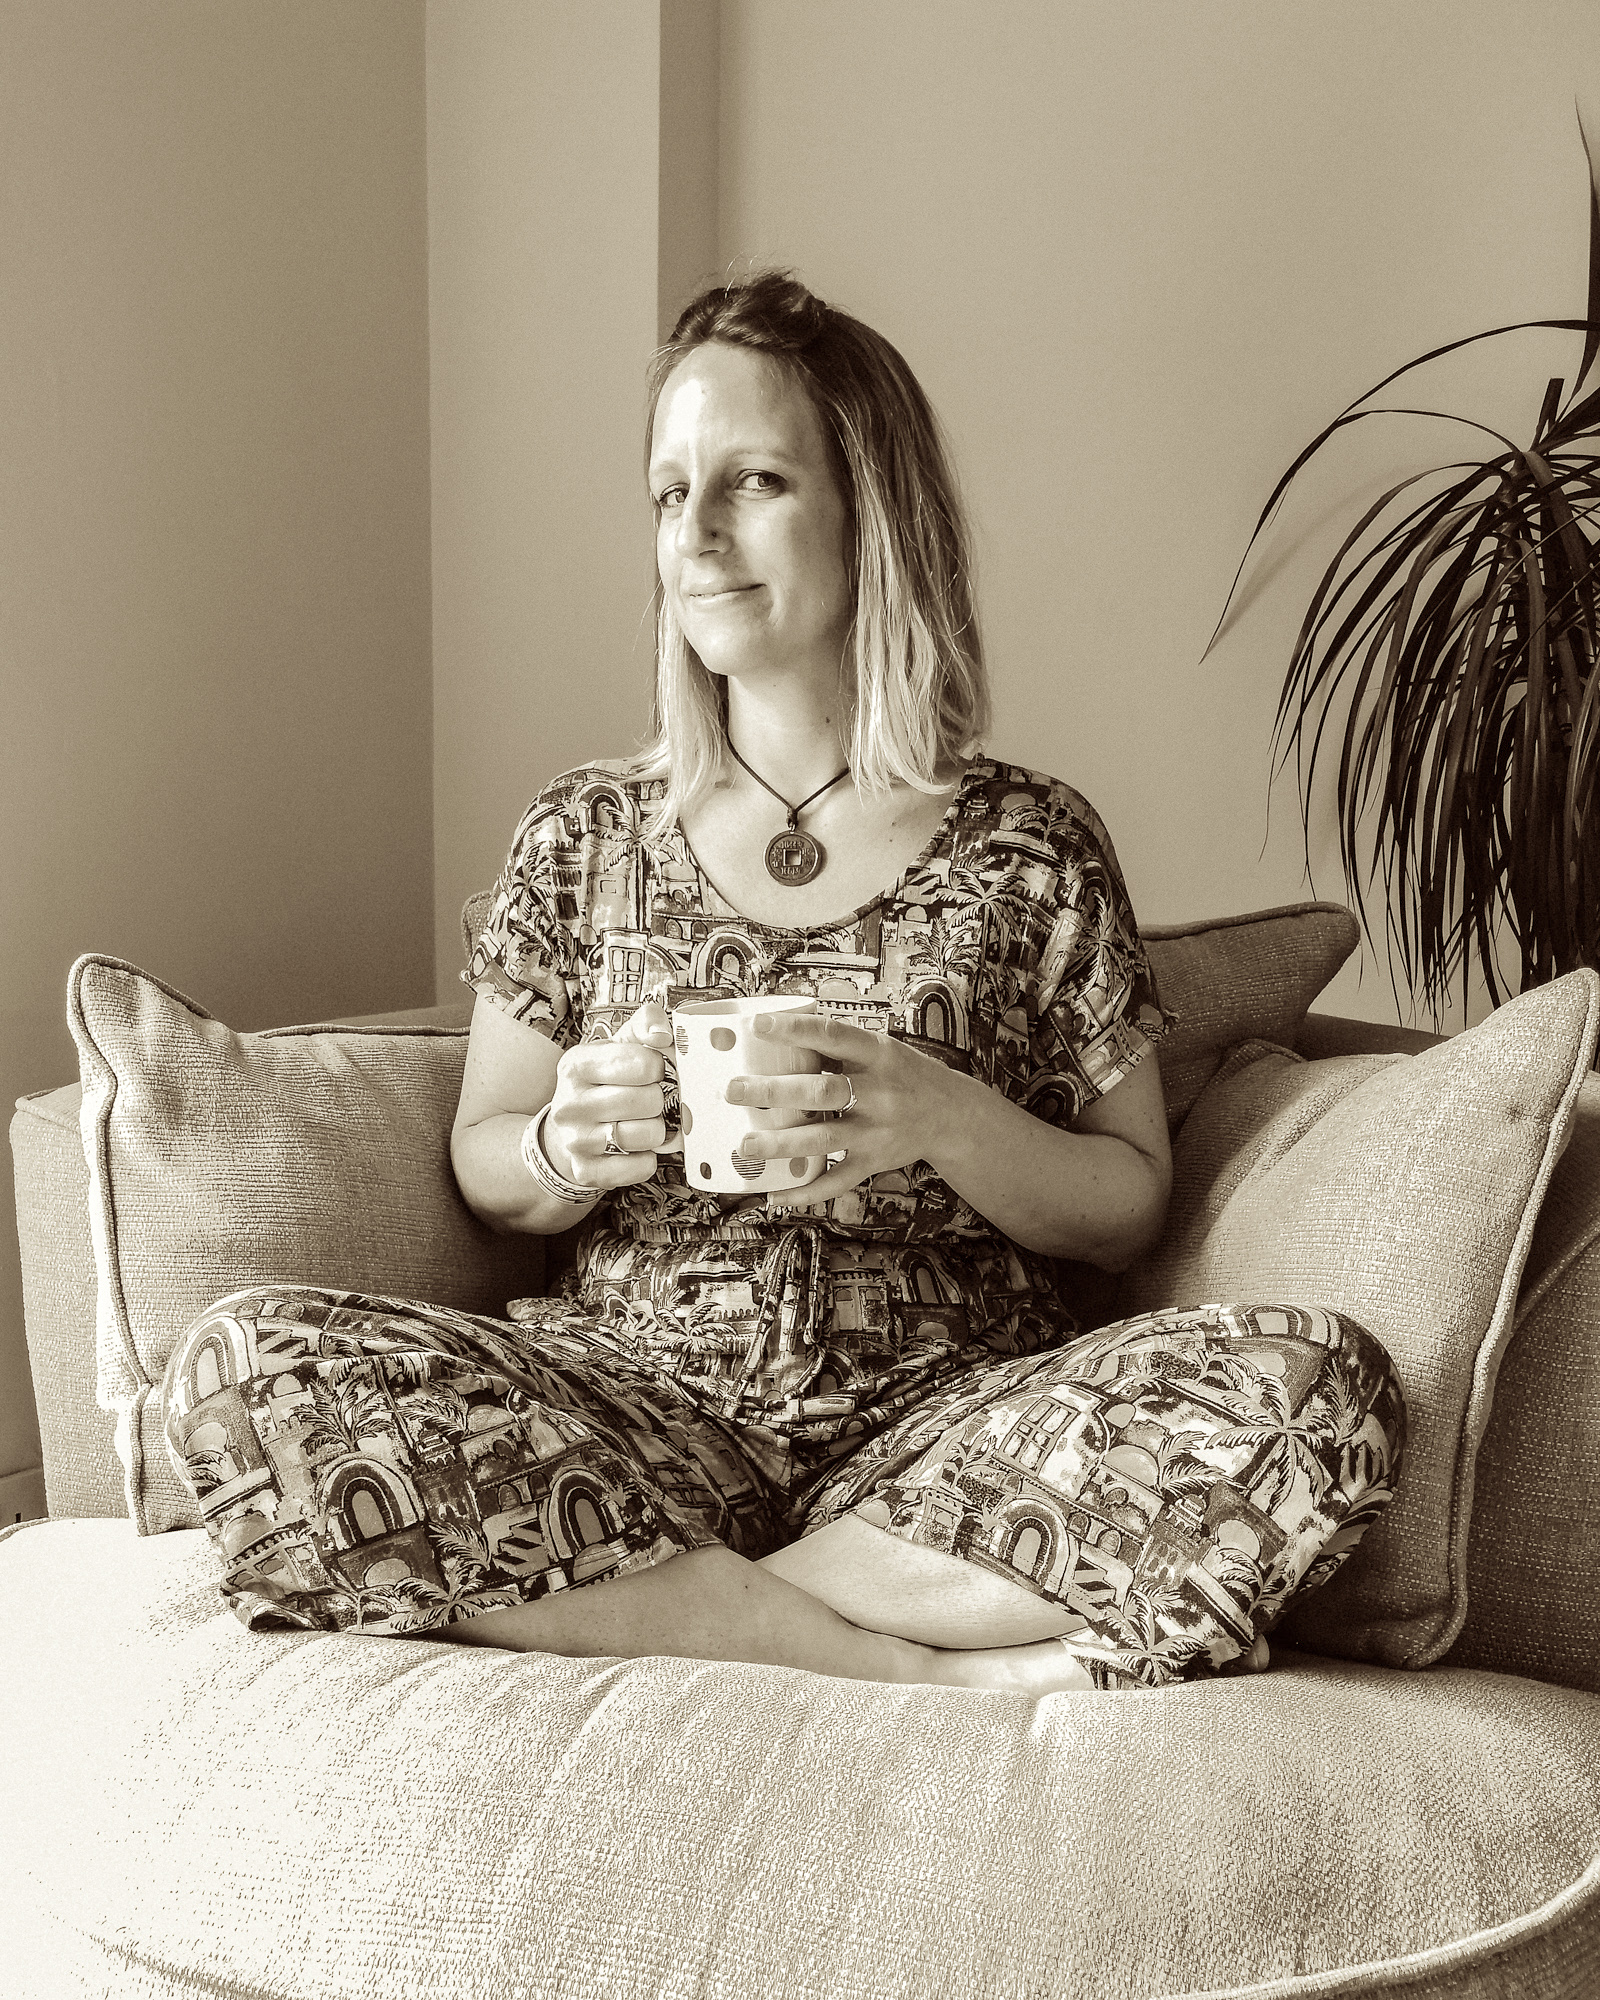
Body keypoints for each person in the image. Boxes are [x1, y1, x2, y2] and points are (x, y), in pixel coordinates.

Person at [164, 273, 1405, 1694]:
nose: (691, 537)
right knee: (243, 1370)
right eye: (667, 492)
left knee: (1319, 1388)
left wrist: (943, 1114)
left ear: (873, 512)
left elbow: (1129, 1203)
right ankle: (917, 1669)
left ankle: (687, 1616)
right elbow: (489, 1158)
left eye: (749, 483)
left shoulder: (1030, 843)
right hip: (632, 1408)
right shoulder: (584, 833)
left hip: (947, 1429)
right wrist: (567, 1144)